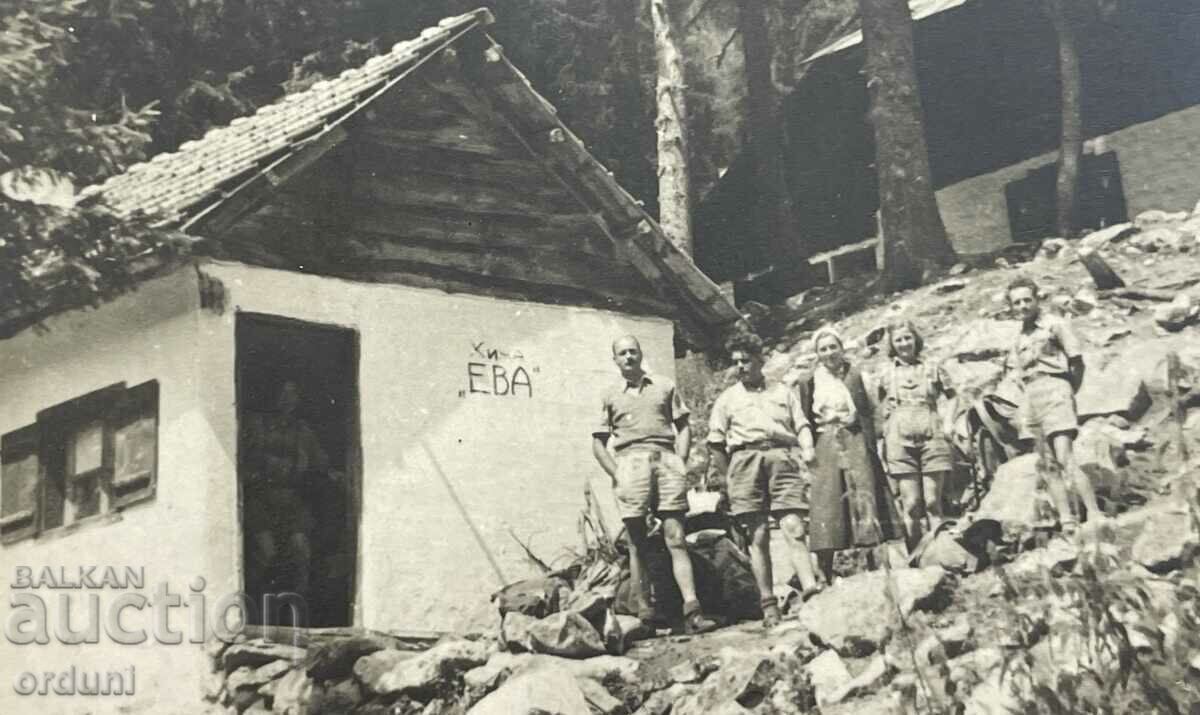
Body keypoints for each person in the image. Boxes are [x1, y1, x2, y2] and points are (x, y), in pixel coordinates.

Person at [592, 335, 717, 635]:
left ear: (640, 354)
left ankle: (692, 610)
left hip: (665, 461)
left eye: (633, 352)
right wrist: (617, 473)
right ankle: (645, 614)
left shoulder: (663, 386)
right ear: (615, 360)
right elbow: (598, 444)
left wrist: (680, 461)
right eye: (622, 354)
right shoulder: (610, 396)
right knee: (636, 543)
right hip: (630, 465)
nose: (629, 358)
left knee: (675, 536)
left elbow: (683, 426)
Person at [707, 332, 822, 629]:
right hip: (745, 464)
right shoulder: (727, 399)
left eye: (746, 360)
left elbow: (803, 425)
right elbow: (716, 444)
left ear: (760, 360)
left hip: (781, 460)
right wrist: (727, 479)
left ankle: (811, 592)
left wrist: (806, 447)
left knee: (794, 527)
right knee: (757, 536)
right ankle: (768, 603)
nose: (741, 366)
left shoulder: (783, 392)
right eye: (736, 362)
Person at [800, 327, 901, 583]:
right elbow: (803, 418)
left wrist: (871, 440)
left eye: (833, 347)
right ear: (817, 354)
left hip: (855, 437)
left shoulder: (857, 375)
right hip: (825, 441)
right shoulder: (809, 381)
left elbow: (871, 410)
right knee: (828, 503)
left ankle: (876, 565)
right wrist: (808, 450)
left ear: (841, 348)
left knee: (865, 494)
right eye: (823, 349)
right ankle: (824, 572)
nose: (829, 353)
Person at [1003, 276, 1100, 533]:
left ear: (1037, 300)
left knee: (1065, 455)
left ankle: (1094, 513)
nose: (1023, 306)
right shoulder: (1019, 338)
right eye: (1017, 303)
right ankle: (1067, 519)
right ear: (1011, 307)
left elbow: (1077, 361)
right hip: (1032, 397)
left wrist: (1068, 389)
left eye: (1027, 300)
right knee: (1046, 463)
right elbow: (1017, 374)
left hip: (1056, 388)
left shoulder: (1054, 325)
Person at [241, 380, 331, 606]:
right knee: (266, 551)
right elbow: (247, 456)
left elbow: (320, 461)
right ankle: (249, 607)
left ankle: (301, 611)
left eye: (293, 394)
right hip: (262, 497)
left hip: (290, 499)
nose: (288, 400)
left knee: (301, 550)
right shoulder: (256, 424)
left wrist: (329, 472)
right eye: (284, 393)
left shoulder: (302, 430)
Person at [876, 320, 957, 553]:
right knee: (911, 504)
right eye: (898, 340)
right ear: (892, 344)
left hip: (931, 434)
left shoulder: (933, 366)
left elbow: (953, 396)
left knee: (933, 502)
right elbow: (878, 407)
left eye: (908, 338)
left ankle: (941, 554)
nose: (904, 344)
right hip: (899, 440)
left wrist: (949, 422)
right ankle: (916, 557)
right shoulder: (884, 373)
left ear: (916, 340)